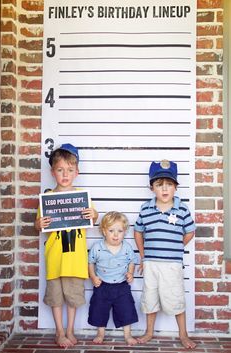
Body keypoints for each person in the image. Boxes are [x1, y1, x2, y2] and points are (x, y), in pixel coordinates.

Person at [35, 143, 98, 348]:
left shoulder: (82, 197)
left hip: (75, 259)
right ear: (53, 172)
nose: (65, 174)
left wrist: (93, 214)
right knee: (56, 298)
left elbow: (94, 217)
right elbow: (38, 224)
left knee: (72, 298)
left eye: (70, 170)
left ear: (76, 172)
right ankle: (59, 332)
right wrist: (39, 224)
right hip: (55, 259)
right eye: (60, 170)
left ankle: (70, 329)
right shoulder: (47, 198)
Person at [134, 160, 196, 349]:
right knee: (150, 297)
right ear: (151, 187)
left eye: (169, 184)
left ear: (175, 187)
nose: (165, 189)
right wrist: (143, 256)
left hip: (172, 264)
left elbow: (190, 231)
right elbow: (138, 232)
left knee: (176, 298)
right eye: (159, 184)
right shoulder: (146, 208)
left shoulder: (182, 209)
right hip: (151, 263)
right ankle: (149, 331)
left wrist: (178, 245)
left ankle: (183, 334)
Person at [88, 211, 139, 346]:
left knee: (126, 309)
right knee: (99, 309)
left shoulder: (127, 248)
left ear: (124, 232)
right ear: (104, 231)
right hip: (102, 285)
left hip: (121, 286)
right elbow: (91, 263)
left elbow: (132, 261)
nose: (116, 235)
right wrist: (93, 277)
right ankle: (100, 333)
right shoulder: (97, 248)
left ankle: (128, 335)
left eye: (120, 231)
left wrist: (130, 273)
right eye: (111, 231)